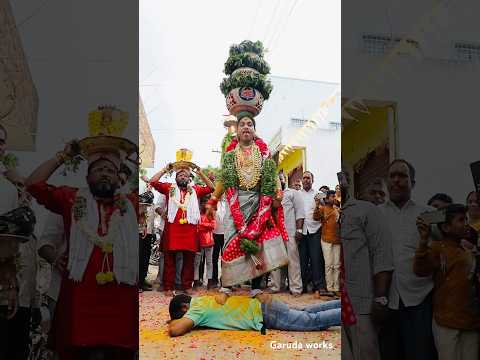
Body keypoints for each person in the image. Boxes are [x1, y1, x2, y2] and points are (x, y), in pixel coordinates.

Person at [25, 106, 139, 360]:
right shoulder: (71, 198)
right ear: (87, 176)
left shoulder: (130, 203)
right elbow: (33, 184)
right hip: (80, 304)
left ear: (118, 175)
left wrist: (138, 165)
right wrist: (63, 156)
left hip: (120, 304)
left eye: (110, 170)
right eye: (98, 169)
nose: (105, 174)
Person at [205, 114, 288, 293]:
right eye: (242, 124)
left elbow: (272, 176)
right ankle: (227, 283)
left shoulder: (264, 154)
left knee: (257, 242)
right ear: (238, 131)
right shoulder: (230, 155)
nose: (246, 127)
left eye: (250, 124)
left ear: (254, 130)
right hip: (235, 203)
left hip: (258, 204)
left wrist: (278, 192)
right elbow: (224, 180)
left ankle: (256, 286)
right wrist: (213, 200)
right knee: (229, 243)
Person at [378, 159, 437, 360]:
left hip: (420, 299)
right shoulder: (376, 215)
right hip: (386, 300)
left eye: (402, 176)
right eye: (392, 176)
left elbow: (443, 244)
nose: (396, 180)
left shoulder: (426, 214)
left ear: (412, 182)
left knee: (420, 353)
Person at [339, 168, 393, 360]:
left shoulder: (368, 210)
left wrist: (380, 299)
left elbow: (382, 256)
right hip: (338, 301)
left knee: (364, 353)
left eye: (381, 193)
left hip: (361, 304)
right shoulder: (334, 212)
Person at [414, 204, 480, 360]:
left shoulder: (468, 251)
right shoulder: (438, 248)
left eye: (467, 219)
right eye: (461, 220)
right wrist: (423, 241)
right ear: (446, 227)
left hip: (471, 321)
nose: (466, 224)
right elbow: (420, 269)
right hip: (446, 322)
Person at [146, 157, 214, 297]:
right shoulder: (168, 188)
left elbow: (211, 188)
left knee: (189, 260)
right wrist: (166, 169)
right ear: (176, 178)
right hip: (172, 230)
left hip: (189, 231)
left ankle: (186, 286)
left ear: (189, 179)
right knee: (170, 260)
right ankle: (169, 287)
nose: (183, 177)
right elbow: (152, 181)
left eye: (186, 175)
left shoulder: (195, 190)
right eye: (180, 175)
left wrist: (200, 172)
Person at [166, 292, 340, 337]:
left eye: (182, 316)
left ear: (184, 308)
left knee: (312, 321)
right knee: (308, 311)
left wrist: (174, 323)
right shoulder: (205, 299)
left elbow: (175, 330)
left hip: (266, 314)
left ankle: (349, 312)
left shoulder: (196, 309)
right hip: (265, 305)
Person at [270, 172, 305, 296]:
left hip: (290, 232)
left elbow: (300, 212)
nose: (279, 181)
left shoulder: (293, 193)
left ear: (285, 180)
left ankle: (296, 288)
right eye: (277, 180)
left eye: (281, 179)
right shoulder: (271, 196)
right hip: (275, 233)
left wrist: (299, 230)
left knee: (293, 261)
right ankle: (276, 286)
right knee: (276, 262)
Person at [298, 171, 327, 297]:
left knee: (316, 259)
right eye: (304, 178)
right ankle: (302, 286)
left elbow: (324, 209)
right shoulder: (297, 194)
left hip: (315, 230)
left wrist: (320, 204)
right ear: (301, 180)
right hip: (301, 231)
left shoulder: (318, 194)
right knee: (302, 260)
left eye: (308, 178)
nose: (306, 180)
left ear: (312, 180)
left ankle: (318, 286)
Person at [314, 190, 341, 296]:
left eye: (334, 196)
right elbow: (315, 217)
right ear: (326, 198)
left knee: (337, 265)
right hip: (326, 239)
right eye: (331, 196)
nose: (333, 198)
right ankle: (330, 288)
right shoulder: (322, 208)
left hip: (337, 240)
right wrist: (316, 205)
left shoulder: (337, 209)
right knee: (329, 265)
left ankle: (336, 288)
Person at [193, 196, 216, 290]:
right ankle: (195, 280)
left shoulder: (211, 214)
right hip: (198, 241)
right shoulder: (197, 213)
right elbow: (196, 227)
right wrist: (206, 226)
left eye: (206, 203)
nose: (205, 205)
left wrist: (202, 225)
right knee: (197, 262)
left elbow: (213, 226)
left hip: (209, 241)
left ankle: (209, 281)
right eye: (203, 203)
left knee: (209, 262)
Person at [211, 195, 225, 288]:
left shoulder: (227, 203)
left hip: (225, 234)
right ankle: (214, 280)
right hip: (214, 234)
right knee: (214, 258)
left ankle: (224, 280)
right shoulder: (212, 203)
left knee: (225, 259)